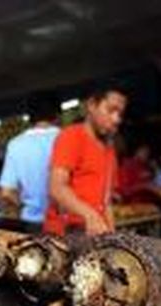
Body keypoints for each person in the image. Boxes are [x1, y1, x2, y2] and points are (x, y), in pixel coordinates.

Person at [45, 84, 127, 235]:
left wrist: (111, 233)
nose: (116, 119)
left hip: (93, 233)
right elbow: (56, 187)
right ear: (91, 105)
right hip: (64, 234)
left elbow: (106, 201)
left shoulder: (109, 149)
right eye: (110, 110)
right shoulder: (71, 136)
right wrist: (89, 214)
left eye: (120, 114)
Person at [0, 93, 60, 234]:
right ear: (57, 114)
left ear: (30, 117)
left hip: (32, 222)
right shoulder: (66, 138)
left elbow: (6, 193)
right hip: (65, 220)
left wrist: (24, 205)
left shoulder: (15, 144)